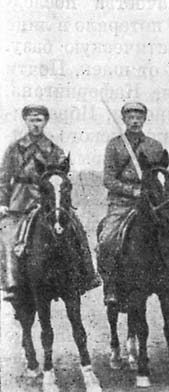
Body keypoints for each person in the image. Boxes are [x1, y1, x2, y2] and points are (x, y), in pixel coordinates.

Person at [0, 105, 100, 302]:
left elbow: (62, 178)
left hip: (48, 202)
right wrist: (3, 202)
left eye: (39, 120)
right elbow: (4, 178)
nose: (35, 124)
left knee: (78, 230)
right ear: (26, 122)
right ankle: (12, 283)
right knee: (8, 235)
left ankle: (87, 276)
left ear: (45, 122)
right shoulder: (14, 148)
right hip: (19, 203)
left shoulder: (55, 150)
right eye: (31, 120)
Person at [98, 102, 169, 305]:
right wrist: (132, 190)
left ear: (145, 119)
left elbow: (161, 173)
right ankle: (111, 286)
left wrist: (154, 191)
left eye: (139, 117)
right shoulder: (114, 145)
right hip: (122, 203)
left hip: (150, 202)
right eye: (130, 117)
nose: (135, 121)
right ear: (124, 120)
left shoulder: (154, 145)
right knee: (107, 239)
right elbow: (109, 179)